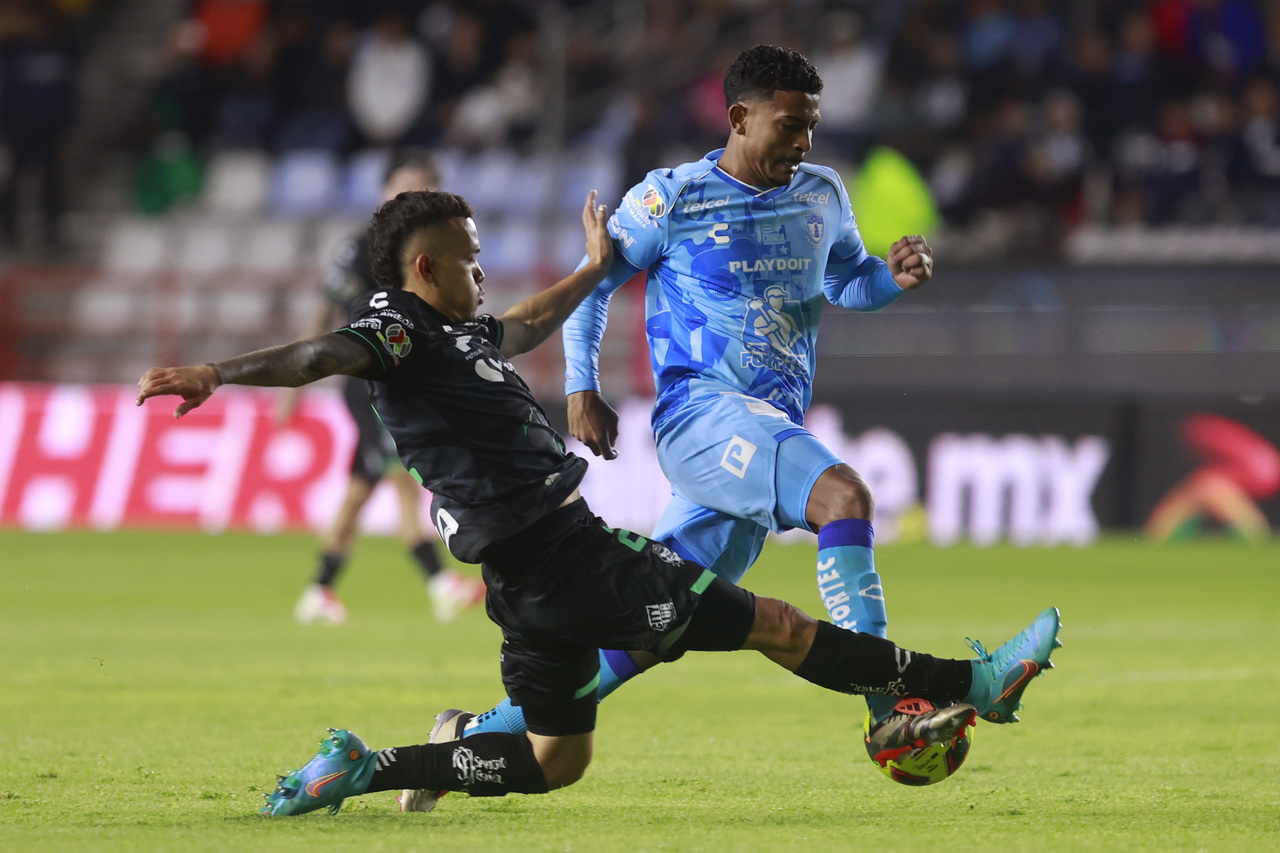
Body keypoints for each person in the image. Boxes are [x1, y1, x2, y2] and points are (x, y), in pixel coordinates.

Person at [135, 189, 1061, 817]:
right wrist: (219, 372)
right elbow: (317, 356)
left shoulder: (455, 333)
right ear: (422, 268)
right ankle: (974, 684)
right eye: (467, 259)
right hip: (566, 555)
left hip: (529, 575)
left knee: (553, 760)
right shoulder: (399, 330)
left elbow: (528, 322)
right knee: (777, 624)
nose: (480, 272)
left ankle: (361, 769)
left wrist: (592, 268)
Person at [465, 44, 939, 741]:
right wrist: (580, 387)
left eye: (811, 124)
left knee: (651, 624)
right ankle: (888, 709)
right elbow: (592, 281)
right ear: (740, 117)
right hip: (701, 419)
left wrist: (889, 280)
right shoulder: (672, 196)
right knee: (844, 496)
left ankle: (475, 734)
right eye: (788, 124)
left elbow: (846, 281)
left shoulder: (823, 193)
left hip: (763, 428)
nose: (803, 140)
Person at [278, 149, 484, 624]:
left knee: (360, 489)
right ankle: (440, 584)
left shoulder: (437, 252)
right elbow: (324, 313)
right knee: (404, 479)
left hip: (410, 377)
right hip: (372, 380)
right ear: (383, 192)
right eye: (405, 186)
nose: (415, 195)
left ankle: (317, 591)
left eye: (425, 188)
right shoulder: (361, 249)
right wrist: (294, 386)